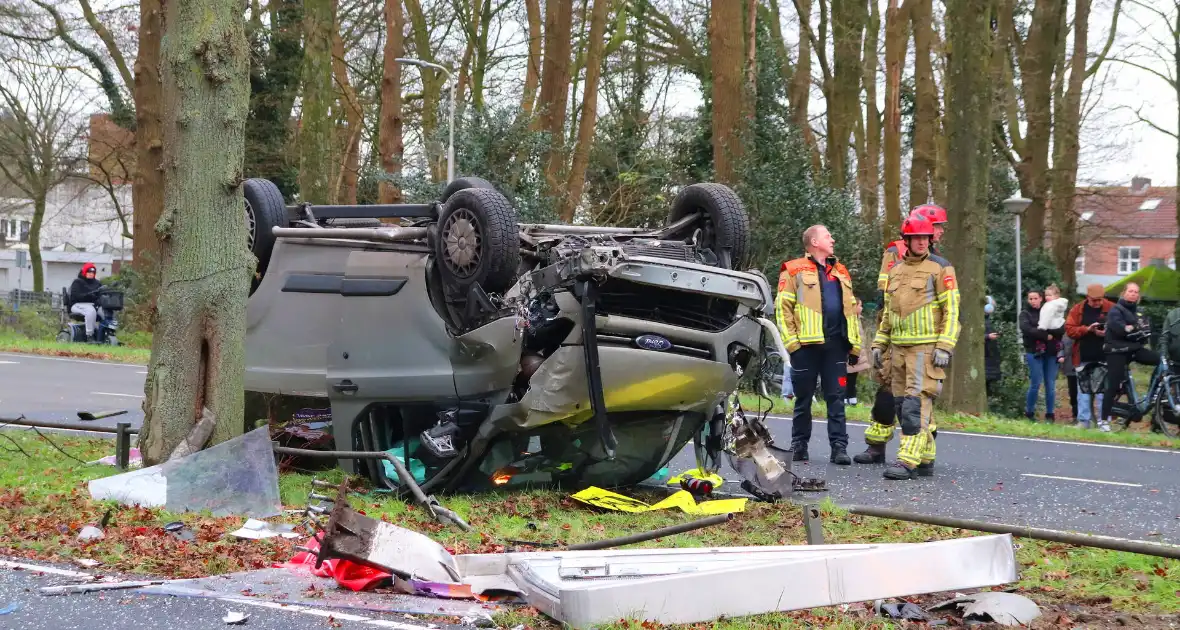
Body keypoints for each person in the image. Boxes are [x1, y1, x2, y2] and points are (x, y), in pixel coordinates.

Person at [856, 204, 950, 466]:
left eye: (936, 230)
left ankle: (920, 452)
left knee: (917, 397)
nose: (939, 232)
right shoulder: (895, 253)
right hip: (896, 337)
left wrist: (943, 342)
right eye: (937, 227)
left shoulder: (938, 261)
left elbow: (947, 306)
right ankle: (877, 445)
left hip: (922, 340)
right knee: (891, 392)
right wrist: (883, 341)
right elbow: (888, 297)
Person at [775, 224, 862, 465]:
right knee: (803, 399)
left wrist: (854, 346)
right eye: (827, 236)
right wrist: (793, 345)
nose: (832, 239)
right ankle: (799, 445)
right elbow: (782, 310)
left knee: (837, 397)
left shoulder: (841, 271)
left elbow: (851, 311)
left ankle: (839, 448)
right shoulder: (793, 270)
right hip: (806, 347)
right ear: (814, 242)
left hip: (836, 346)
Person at [1100, 282, 1158, 432]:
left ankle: (1154, 393)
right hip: (1116, 350)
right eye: (1131, 291)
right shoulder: (1116, 310)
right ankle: (1103, 420)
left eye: (1136, 292)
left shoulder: (1138, 312)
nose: (1133, 294)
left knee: (1160, 360)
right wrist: (1132, 329)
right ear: (1124, 293)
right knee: (1113, 384)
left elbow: (1144, 331)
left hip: (1133, 349)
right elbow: (1120, 330)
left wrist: (1138, 330)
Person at [1065, 284, 1112, 428]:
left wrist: (1108, 332)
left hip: (1104, 355)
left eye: (1100, 300)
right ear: (1087, 297)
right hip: (1083, 355)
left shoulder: (1111, 308)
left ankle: (1103, 422)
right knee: (1083, 390)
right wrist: (1087, 329)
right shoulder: (1078, 309)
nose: (1097, 303)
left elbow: (1121, 326)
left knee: (1102, 392)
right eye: (1094, 300)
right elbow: (1069, 329)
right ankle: (1084, 421)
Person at [1020, 287, 1065, 421]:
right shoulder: (1025, 314)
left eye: (1035, 298)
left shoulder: (1050, 310)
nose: (1033, 301)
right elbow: (1027, 330)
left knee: (1050, 384)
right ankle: (1029, 413)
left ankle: (1050, 414)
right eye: (1030, 299)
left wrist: (1045, 333)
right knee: (1035, 382)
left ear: (1041, 298)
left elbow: (1061, 328)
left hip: (1051, 351)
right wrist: (1046, 335)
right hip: (1034, 352)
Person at [68, 262, 104, 341]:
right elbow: (76, 296)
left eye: (93, 272)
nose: (91, 274)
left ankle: (105, 334)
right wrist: (89, 295)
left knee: (105, 312)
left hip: (93, 305)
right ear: (84, 272)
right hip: (77, 304)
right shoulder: (77, 282)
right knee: (90, 311)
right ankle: (89, 335)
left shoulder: (97, 283)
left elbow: (101, 294)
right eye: (89, 272)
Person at [845, 298, 864, 406]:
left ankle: (852, 398)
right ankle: (846, 397)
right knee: (847, 378)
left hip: (858, 353)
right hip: (851, 353)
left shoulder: (859, 319)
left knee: (853, 378)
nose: (862, 308)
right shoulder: (850, 319)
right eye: (860, 305)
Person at [984, 296, 1002, 398]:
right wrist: (988, 337)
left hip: (990, 355)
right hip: (985, 355)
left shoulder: (987, 320)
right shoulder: (979, 320)